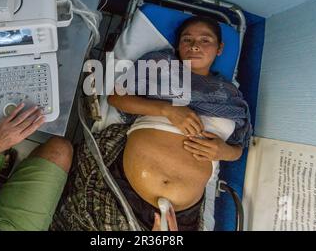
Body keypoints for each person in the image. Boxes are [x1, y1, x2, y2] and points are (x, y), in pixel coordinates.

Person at [107, 16, 252, 230]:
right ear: (178, 45)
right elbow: (116, 98)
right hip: (125, 189)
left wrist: (223, 152)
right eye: (187, 40)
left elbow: (240, 147)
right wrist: (167, 109)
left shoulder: (230, 95)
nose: (195, 46)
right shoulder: (160, 65)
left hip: (184, 215)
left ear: (219, 48)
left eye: (205, 40)